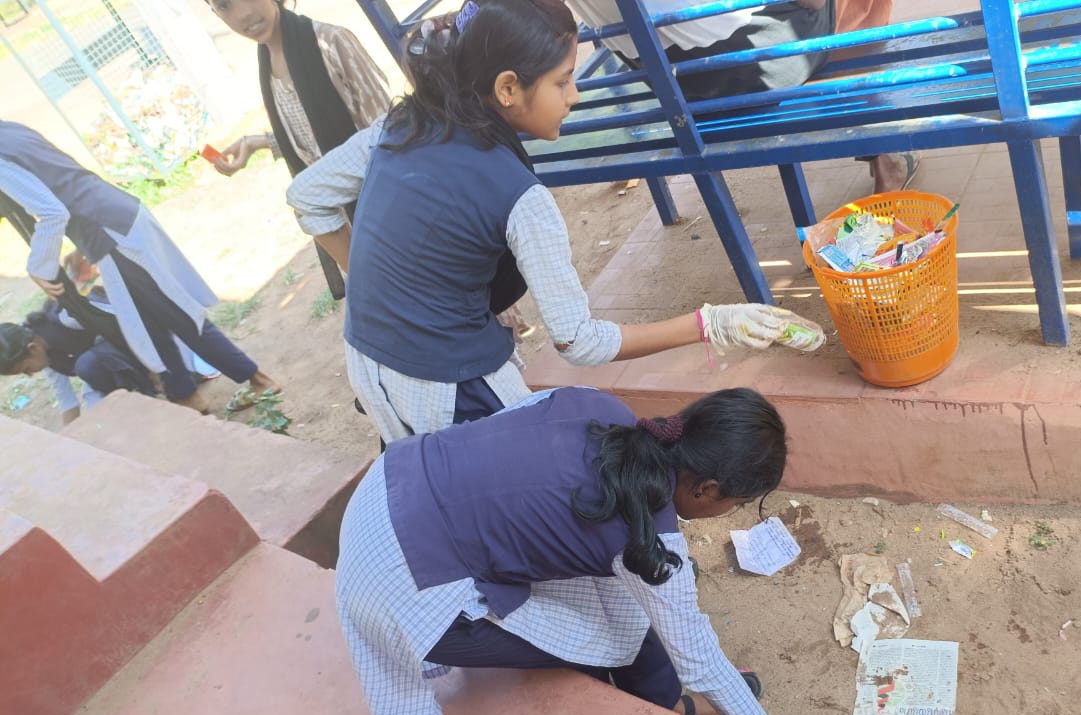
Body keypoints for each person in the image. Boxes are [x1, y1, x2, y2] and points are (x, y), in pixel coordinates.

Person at [286, 0, 824, 445]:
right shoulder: (522, 198)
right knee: (508, 488)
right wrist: (713, 322)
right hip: (448, 383)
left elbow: (307, 195)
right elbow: (579, 342)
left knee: (425, 476)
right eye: (563, 81)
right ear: (507, 88)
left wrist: (378, 285)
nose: (575, 95)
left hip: (367, 359)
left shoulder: (402, 123)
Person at [336, 384, 846, 715]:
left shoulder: (598, 405)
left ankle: (665, 702)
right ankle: (656, 707)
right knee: (603, 638)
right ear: (707, 490)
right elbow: (701, 659)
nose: (727, 512)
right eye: (735, 504)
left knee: (641, 599)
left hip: (388, 482)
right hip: (401, 584)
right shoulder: (652, 538)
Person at [0, 121, 280, 415]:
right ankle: (185, 395)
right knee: (149, 320)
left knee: (176, 314)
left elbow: (51, 212)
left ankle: (257, 380)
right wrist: (83, 244)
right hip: (112, 218)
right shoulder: (9, 130)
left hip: (111, 232)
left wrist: (39, 266)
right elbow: (65, 179)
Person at [568, 0, 915, 192]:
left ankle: (877, 146)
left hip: (681, 89)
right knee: (852, 9)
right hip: (754, 67)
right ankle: (882, 152)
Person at [204, 0, 391, 299]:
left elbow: (390, 132)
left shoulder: (329, 42)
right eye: (225, 5)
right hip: (345, 222)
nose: (244, 14)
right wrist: (258, 142)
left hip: (387, 211)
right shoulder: (268, 60)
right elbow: (313, 140)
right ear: (215, 13)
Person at [0, 305, 154, 425]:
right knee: (97, 413)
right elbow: (66, 400)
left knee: (86, 366)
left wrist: (155, 370)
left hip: (141, 348)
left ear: (32, 348)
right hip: (114, 368)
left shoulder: (68, 319)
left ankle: (145, 392)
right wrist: (67, 441)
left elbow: (126, 323)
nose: (30, 375)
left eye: (26, 369)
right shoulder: (43, 355)